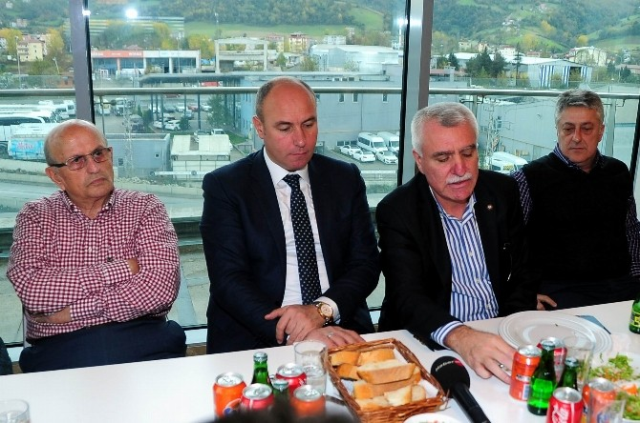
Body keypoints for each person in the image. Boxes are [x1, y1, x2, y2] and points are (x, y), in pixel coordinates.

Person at [200, 76, 379, 354]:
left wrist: (320, 311)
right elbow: (229, 280)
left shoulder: (345, 178)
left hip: (338, 322)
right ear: (259, 127)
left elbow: (365, 263)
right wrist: (296, 331)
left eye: (309, 124)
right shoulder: (226, 186)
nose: (301, 140)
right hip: (258, 333)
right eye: (285, 128)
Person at [6, 119, 186, 372]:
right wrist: (124, 268)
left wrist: (72, 312)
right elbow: (33, 292)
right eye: (77, 160)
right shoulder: (36, 215)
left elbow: (159, 289)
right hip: (60, 350)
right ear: (56, 176)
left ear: (110, 155)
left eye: (99, 154)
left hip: (142, 339)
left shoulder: (145, 207)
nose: (93, 167)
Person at [376, 102, 537, 384]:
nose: (460, 169)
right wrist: (461, 336)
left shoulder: (503, 191)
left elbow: (524, 271)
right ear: (419, 160)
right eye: (443, 158)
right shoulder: (398, 211)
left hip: (499, 334)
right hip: (431, 341)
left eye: (468, 152)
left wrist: (505, 327)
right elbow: (407, 297)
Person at [513, 89, 640, 310]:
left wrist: (638, 279)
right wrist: (521, 291)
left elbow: (630, 230)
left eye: (587, 128)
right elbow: (508, 241)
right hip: (558, 291)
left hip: (620, 285)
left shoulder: (618, 172)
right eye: (568, 128)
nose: (577, 137)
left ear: (601, 131)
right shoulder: (528, 178)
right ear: (557, 130)